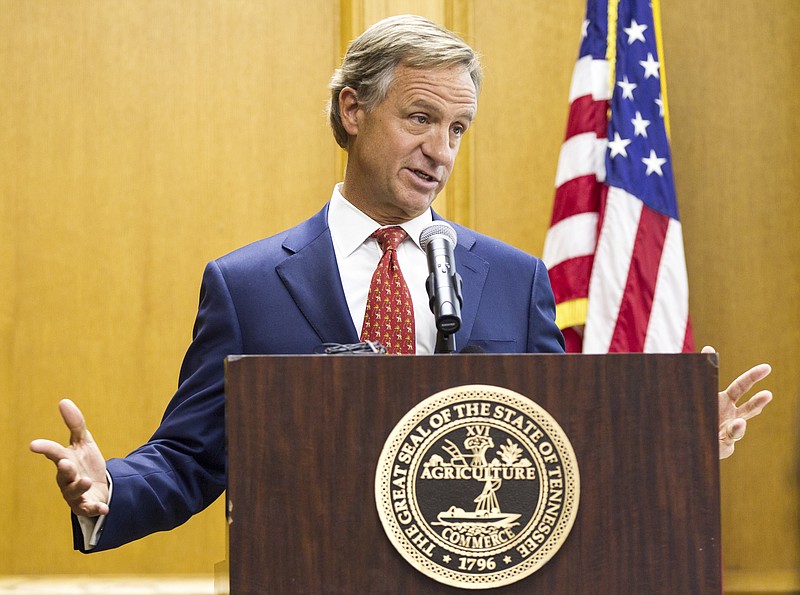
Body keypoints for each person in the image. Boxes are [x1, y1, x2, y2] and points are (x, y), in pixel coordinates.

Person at [30, 14, 772, 553]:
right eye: (420, 117)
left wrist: (678, 440)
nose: (440, 150)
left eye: (458, 129)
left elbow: (559, 448)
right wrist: (111, 488)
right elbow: (191, 457)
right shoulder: (246, 285)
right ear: (353, 109)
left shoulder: (513, 279)